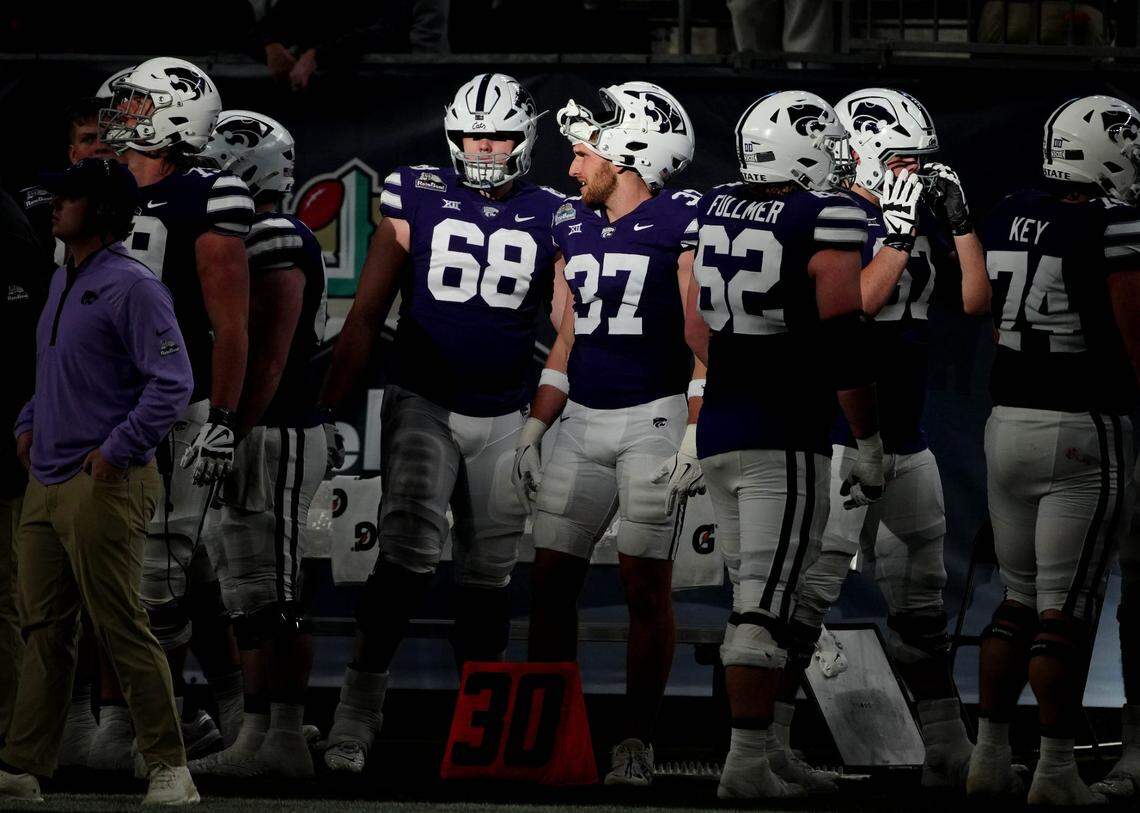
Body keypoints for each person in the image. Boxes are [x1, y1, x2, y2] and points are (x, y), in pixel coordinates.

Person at [317, 73, 564, 774]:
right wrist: (333, 404)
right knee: (404, 559)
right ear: (454, 138)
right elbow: (366, 310)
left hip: (507, 408)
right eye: (474, 135)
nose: (485, 149)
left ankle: (479, 720)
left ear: (525, 140)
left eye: (499, 136)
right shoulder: (414, 192)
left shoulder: (552, 211)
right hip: (424, 398)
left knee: (489, 578)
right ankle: (357, 713)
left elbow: (575, 324)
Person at [780, 86, 995, 791]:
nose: (917, 169)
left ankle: (944, 744)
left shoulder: (907, 216)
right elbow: (857, 309)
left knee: (922, 604)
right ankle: (768, 742)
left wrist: (958, 221)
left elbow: (973, 299)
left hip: (908, 434)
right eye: (906, 156)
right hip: (842, 433)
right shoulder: (837, 216)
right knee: (809, 594)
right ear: (866, 152)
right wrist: (899, 234)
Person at [688, 91, 883, 800]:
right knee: (765, 605)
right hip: (783, 431)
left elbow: (694, 326)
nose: (836, 159)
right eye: (826, 145)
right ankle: (745, 765)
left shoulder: (712, 205)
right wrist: (865, 434)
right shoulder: (821, 213)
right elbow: (841, 331)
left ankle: (766, 752)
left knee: (754, 592)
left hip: (722, 425)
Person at [516, 80, 704, 787]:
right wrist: (538, 424)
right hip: (582, 419)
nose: (572, 169)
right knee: (550, 580)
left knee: (644, 584)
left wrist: (695, 426)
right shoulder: (573, 225)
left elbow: (700, 337)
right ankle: (546, 731)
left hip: (653, 420)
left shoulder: (679, 223)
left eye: (582, 154)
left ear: (628, 152)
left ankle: (636, 739)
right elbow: (568, 334)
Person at [0, 157, 198, 805]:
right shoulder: (63, 279)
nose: (55, 204)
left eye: (72, 196)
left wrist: (116, 451)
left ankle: (170, 765)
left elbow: (173, 382)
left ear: (105, 211)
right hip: (47, 479)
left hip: (104, 481)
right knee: (44, 631)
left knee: (119, 623)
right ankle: (26, 765)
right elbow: (50, 371)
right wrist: (28, 423)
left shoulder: (133, 287)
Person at [966, 94, 1139, 805]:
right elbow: (1134, 336)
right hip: (1082, 425)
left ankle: (988, 754)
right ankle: (1056, 769)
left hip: (1007, 419)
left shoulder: (1009, 209)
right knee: (1063, 610)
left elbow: (978, 298)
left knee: (1017, 601)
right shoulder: (1114, 223)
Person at [98, 56, 254, 765]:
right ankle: (188, 713)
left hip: (175, 404)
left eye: (138, 105)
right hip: (101, 402)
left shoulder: (210, 195)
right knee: (117, 566)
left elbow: (230, 322)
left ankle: (149, 731)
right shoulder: (99, 190)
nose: (124, 116)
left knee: (162, 569)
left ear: (174, 116)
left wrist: (221, 417)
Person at [188, 110, 329, 778]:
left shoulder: (274, 234)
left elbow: (269, 358)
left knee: (272, 591)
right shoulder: (241, 233)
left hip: (274, 429)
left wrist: (230, 427)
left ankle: (280, 737)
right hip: (257, 427)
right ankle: (258, 729)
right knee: (243, 590)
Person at [0, 181, 51, 746]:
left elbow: (24, 346)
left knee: (10, 592)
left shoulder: (13, 225)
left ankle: (13, 735)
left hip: (12, 437)